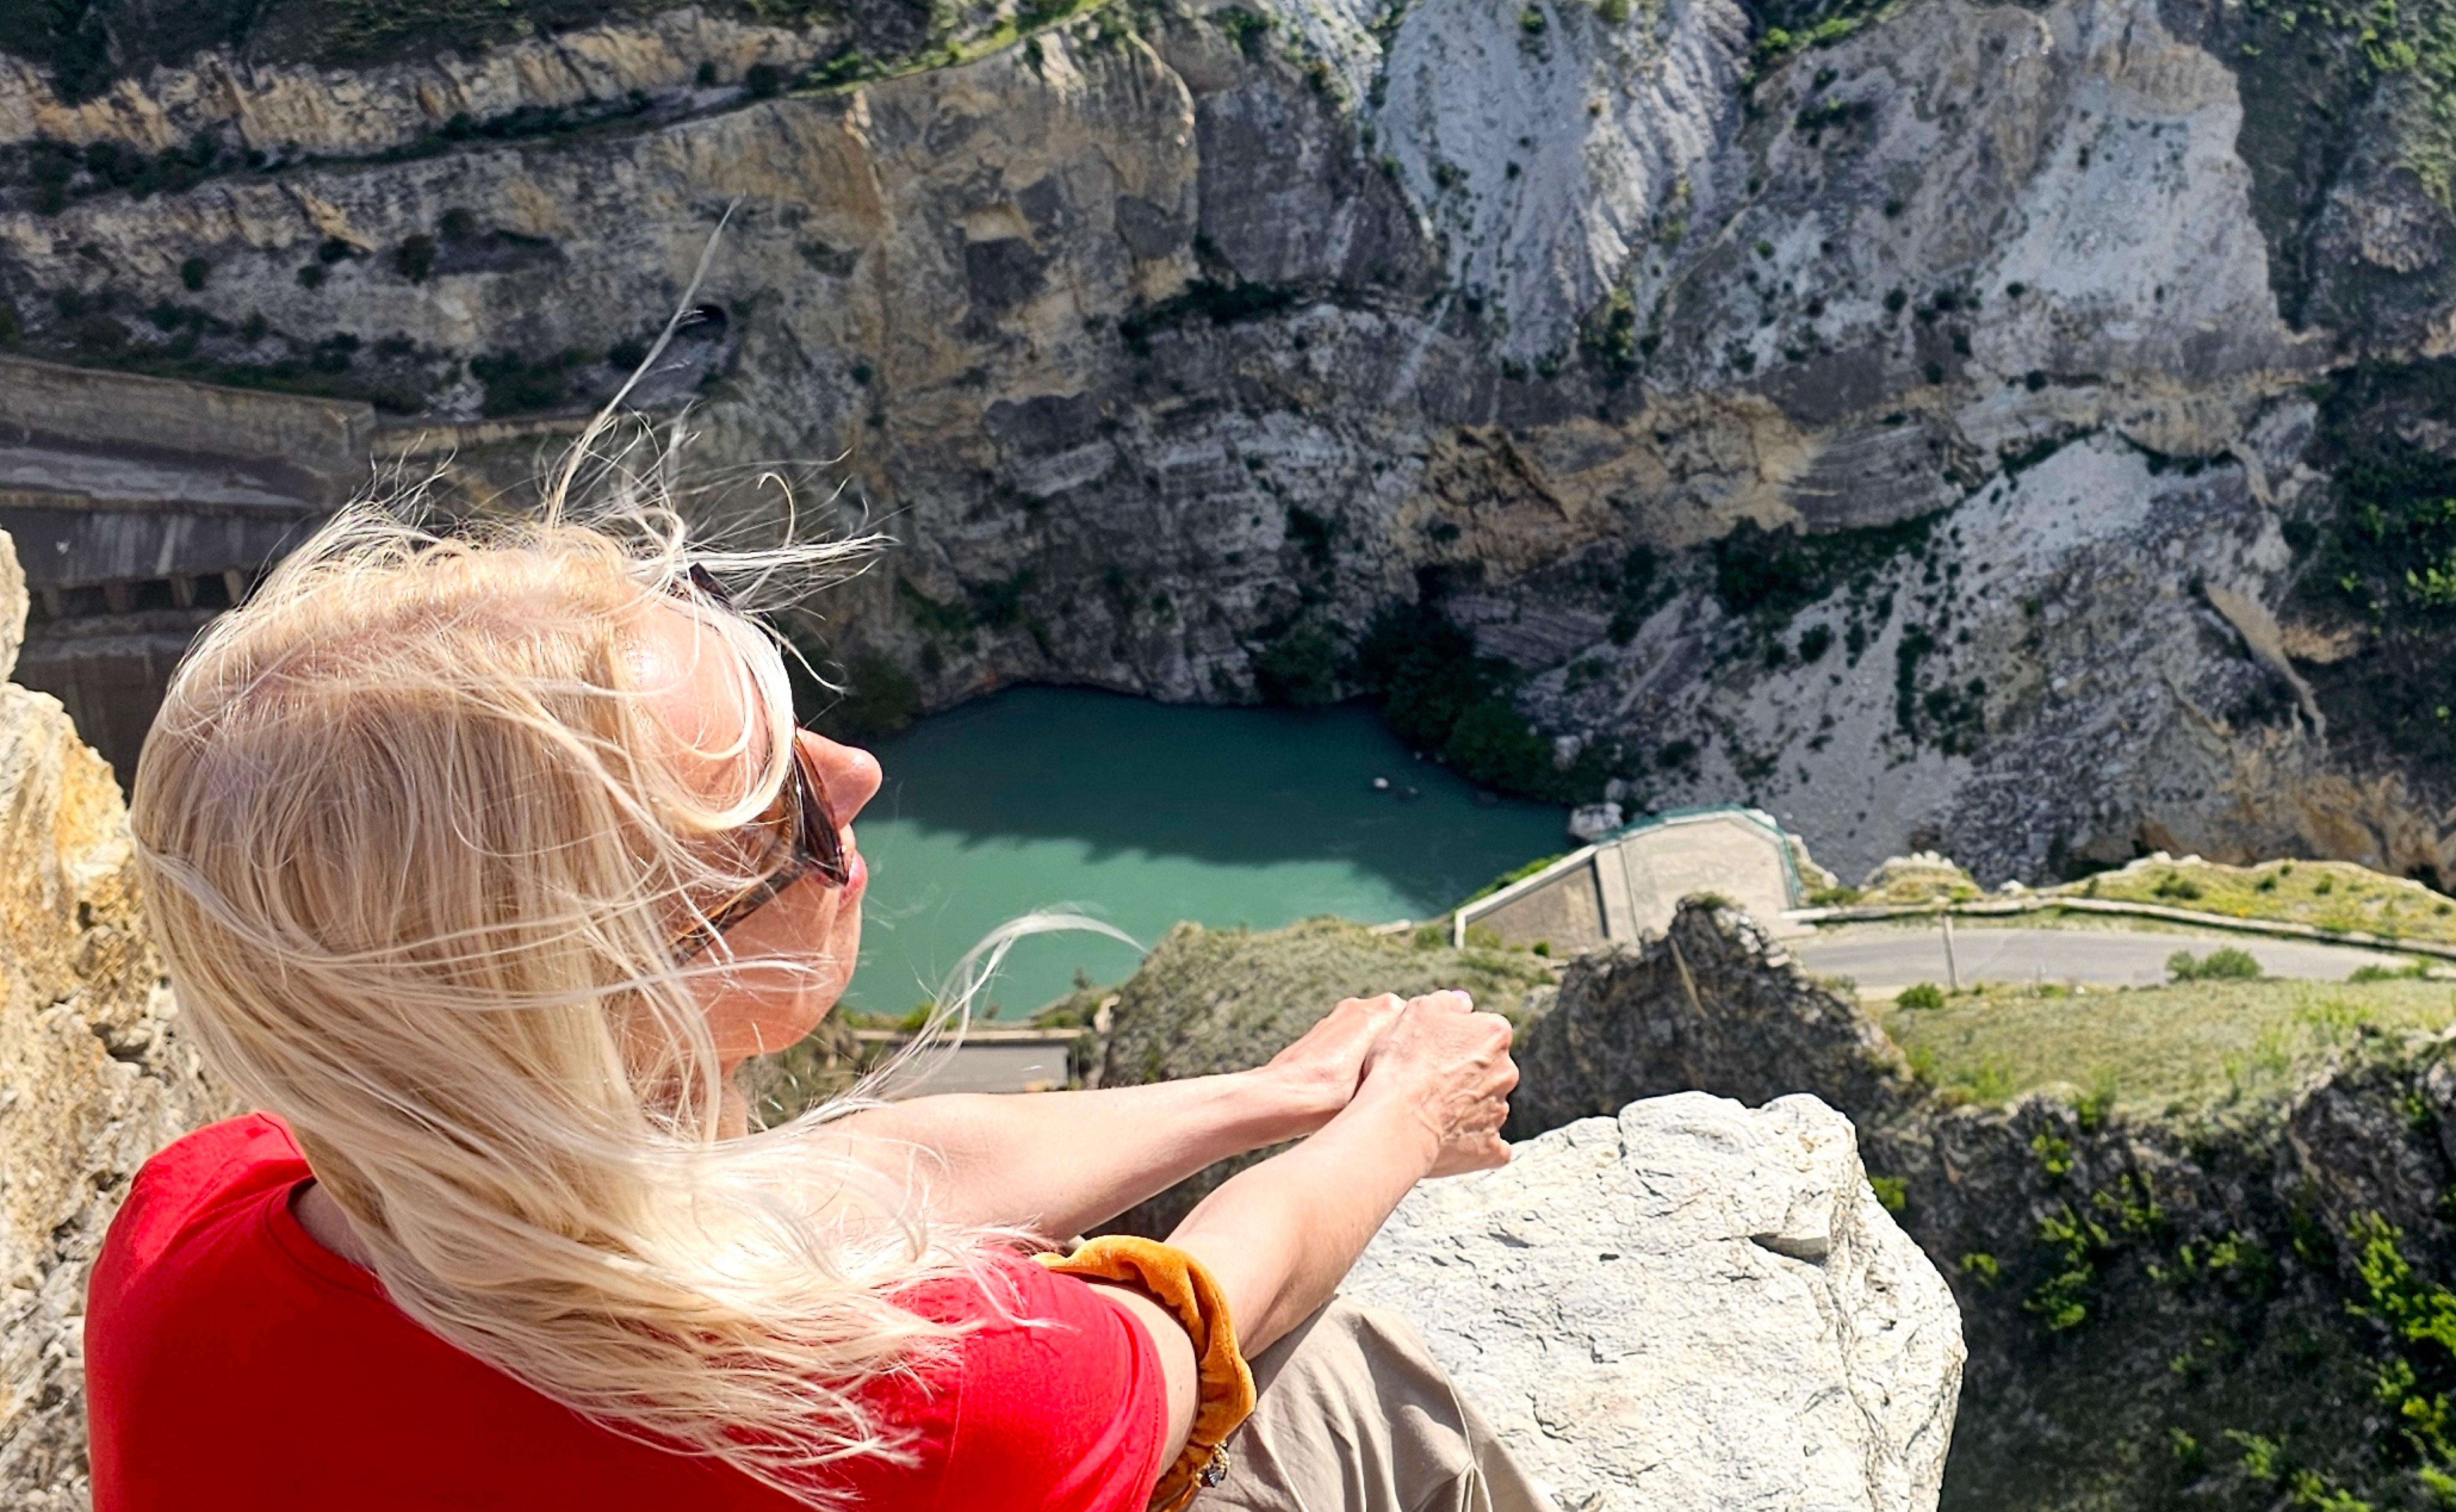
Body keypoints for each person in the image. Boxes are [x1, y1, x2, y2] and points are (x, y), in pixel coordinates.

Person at [83, 497, 1544, 1512]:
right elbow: (1216, 1306)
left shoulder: (188, 1234)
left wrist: (1258, 1099)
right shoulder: (884, 1417)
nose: (858, 772)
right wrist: (1402, 1115)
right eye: (780, 803)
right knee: (1348, 1382)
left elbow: (806, 1186)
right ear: (631, 986)